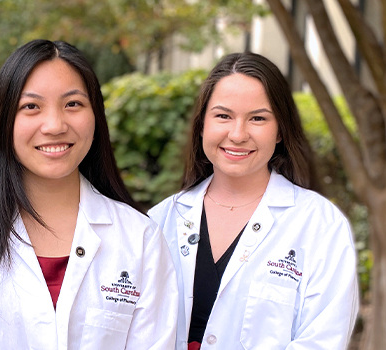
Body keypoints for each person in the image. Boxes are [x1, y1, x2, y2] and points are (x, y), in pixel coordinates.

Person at [0, 39, 178, 349]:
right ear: (4, 122)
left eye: (73, 104)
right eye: (31, 107)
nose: (55, 125)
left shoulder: (140, 239)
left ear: (95, 115)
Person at [148, 52, 359, 350]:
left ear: (280, 131)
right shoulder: (160, 221)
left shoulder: (320, 225)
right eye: (223, 116)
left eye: (258, 118)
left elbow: (323, 340)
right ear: (202, 125)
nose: (238, 134)